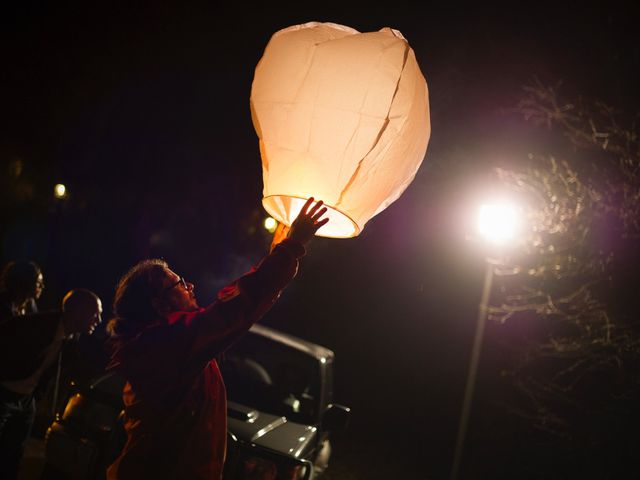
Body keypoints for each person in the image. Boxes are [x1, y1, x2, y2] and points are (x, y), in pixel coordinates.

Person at [106, 197, 328, 480]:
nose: (191, 286)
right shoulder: (167, 344)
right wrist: (290, 249)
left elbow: (238, 305)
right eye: (180, 284)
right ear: (160, 305)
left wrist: (278, 253)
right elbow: (236, 309)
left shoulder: (166, 343)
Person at [0, 288, 103, 480]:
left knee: (13, 454)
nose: (98, 321)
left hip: (25, 400)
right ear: (78, 311)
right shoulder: (36, 326)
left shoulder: (71, 339)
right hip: (5, 393)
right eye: (95, 313)